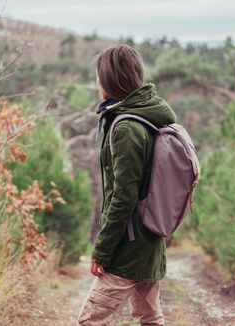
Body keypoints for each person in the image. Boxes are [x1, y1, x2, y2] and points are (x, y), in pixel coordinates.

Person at [77, 44, 177, 326]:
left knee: (90, 321)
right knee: (150, 319)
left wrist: (102, 250)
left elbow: (123, 196)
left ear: (110, 80)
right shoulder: (145, 114)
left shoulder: (126, 127)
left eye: (99, 77)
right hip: (148, 241)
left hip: (128, 248)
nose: (97, 83)